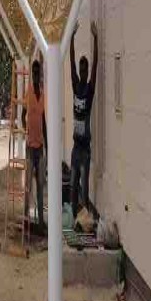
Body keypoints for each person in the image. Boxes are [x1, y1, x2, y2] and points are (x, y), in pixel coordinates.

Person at [69, 20, 98, 218]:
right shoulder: (76, 86)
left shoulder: (89, 90)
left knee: (84, 189)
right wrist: (71, 38)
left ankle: (85, 220)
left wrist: (96, 39)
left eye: (85, 70)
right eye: (82, 69)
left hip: (85, 148)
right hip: (75, 147)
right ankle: (74, 217)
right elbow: (70, 63)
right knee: (73, 184)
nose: (83, 72)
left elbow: (96, 66)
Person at [22, 59, 46, 231]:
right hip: (30, 147)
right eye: (35, 73)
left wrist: (47, 144)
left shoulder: (43, 94)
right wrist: (27, 131)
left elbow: (44, 120)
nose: (37, 76)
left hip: (40, 147)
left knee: (40, 185)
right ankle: (25, 217)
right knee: (28, 185)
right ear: (32, 75)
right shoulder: (28, 93)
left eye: (38, 73)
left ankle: (41, 221)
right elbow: (23, 115)